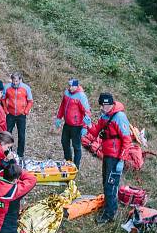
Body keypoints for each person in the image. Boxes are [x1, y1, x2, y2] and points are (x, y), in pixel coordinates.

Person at [85, 93, 132, 224]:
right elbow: (96, 131)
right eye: (102, 105)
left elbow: (127, 141)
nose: (104, 108)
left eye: (106, 105)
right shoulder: (105, 115)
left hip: (115, 157)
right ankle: (108, 206)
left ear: (111, 104)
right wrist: (88, 126)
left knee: (111, 185)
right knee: (106, 183)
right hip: (107, 154)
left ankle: (109, 214)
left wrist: (121, 160)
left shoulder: (119, 117)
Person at [54, 78, 91, 168]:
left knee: (76, 146)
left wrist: (85, 127)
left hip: (77, 126)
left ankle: (76, 166)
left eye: (72, 86)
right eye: (69, 86)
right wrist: (59, 117)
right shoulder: (66, 93)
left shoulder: (81, 96)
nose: (70, 88)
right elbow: (62, 106)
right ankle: (68, 161)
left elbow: (87, 112)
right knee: (64, 142)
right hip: (67, 124)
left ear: (76, 86)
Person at [3, 72, 33, 158]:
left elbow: (30, 101)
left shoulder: (26, 88)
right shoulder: (7, 87)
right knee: (8, 134)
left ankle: (20, 155)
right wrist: (5, 110)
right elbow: (3, 99)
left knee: (21, 135)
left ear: (20, 80)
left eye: (16, 81)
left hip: (21, 115)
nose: (14, 83)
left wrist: (26, 111)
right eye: (13, 81)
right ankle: (8, 153)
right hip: (10, 114)